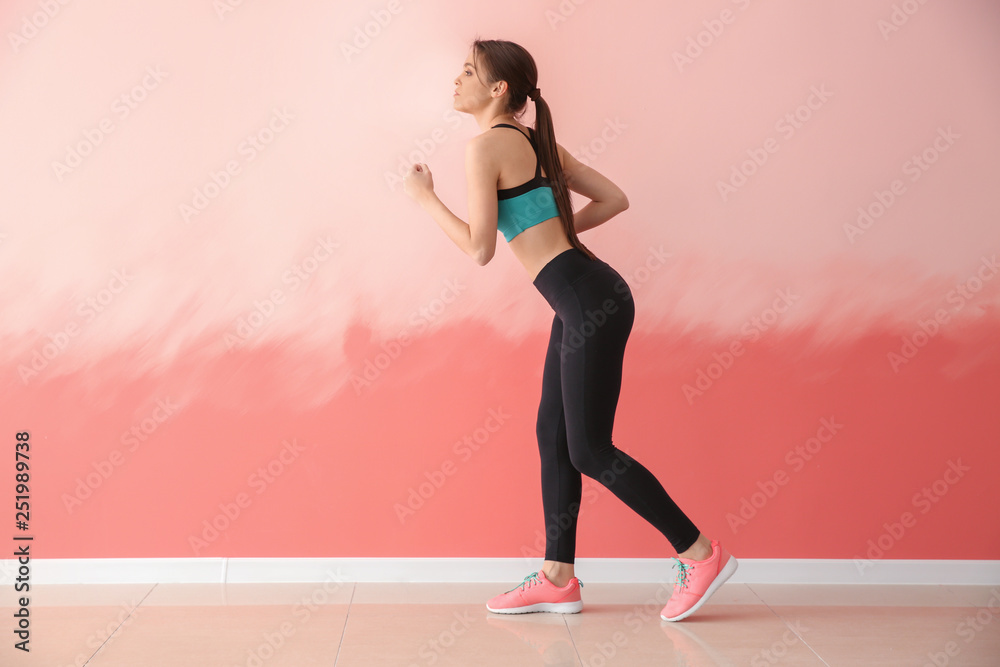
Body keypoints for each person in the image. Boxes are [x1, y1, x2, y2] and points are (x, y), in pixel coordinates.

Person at [403, 38, 736, 622]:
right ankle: (558, 578)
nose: (456, 80)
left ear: (498, 88)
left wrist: (425, 199)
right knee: (553, 433)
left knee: (588, 447)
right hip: (586, 293)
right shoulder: (534, 142)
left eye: (467, 71)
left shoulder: (485, 148)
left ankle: (700, 554)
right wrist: (559, 239)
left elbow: (480, 249)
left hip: (586, 299)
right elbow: (615, 198)